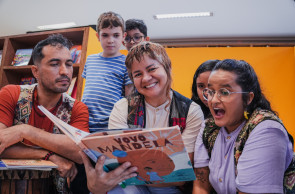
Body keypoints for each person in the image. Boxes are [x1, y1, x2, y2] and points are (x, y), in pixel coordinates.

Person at [80, 41, 204, 194]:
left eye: (152, 69)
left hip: (169, 188)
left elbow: (181, 176)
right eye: (137, 74)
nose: (146, 78)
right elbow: (117, 166)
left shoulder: (191, 111)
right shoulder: (122, 107)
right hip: (131, 183)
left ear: (167, 68)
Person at [0, 34, 89, 192]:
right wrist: (50, 155)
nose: (65, 71)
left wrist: (25, 131)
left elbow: (80, 153)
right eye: (55, 64)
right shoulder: (11, 94)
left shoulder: (77, 108)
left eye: (69, 64)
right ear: (36, 71)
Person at [193, 59, 294, 193]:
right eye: (210, 91)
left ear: (248, 98)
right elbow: (201, 185)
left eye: (224, 92)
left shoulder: (267, 130)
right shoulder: (209, 127)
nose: (214, 100)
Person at [82, 11, 133, 132]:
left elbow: (129, 98)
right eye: (105, 35)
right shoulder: (90, 59)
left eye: (116, 35)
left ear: (123, 37)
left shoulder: (127, 63)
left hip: (111, 124)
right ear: (98, 37)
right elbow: (88, 91)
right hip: (85, 122)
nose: (110, 40)